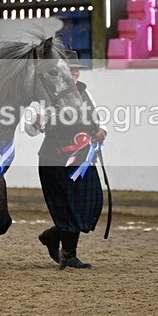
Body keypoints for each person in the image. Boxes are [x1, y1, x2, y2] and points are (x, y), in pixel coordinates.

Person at [24, 50, 107, 269]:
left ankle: (52, 235)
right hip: (54, 160)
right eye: (71, 69)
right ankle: (69, 255)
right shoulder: (44, 95)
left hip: (82, 160)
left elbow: (98, 121)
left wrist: (102, 131)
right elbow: (30, 129)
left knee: (91, 205)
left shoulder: (85, 93)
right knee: (68, 208)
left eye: (77, 69)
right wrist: (35, 122)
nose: (75, 73)